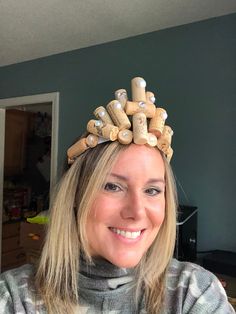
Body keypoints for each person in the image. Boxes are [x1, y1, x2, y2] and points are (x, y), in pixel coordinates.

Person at [0, 77, 234, 314]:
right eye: (112, 186)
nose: (137, 211)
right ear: (75, 197)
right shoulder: (14, 298)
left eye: (152, 190)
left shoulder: (193, 293)